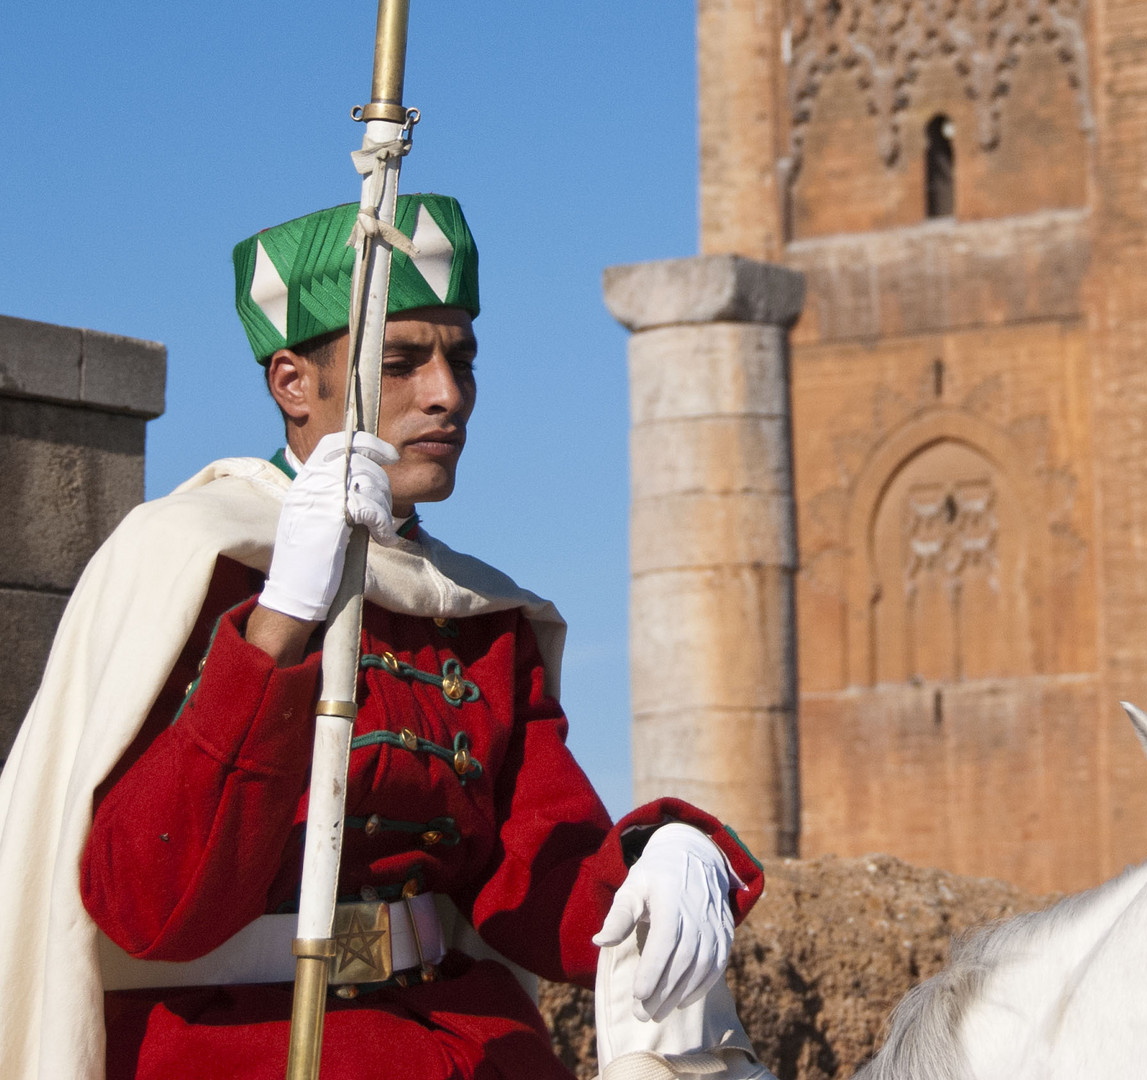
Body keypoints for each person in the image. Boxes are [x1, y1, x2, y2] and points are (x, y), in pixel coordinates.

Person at [0, 195, 770, 1080]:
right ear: (293, 383)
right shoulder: (188, 564)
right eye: (401, 362)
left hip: (463, 1044)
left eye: (460, 361)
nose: (447, 395)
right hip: (239, 1048)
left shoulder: (475, 613)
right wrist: (281, 619)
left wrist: (659, 861)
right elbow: (149, 904)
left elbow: (541, 890)